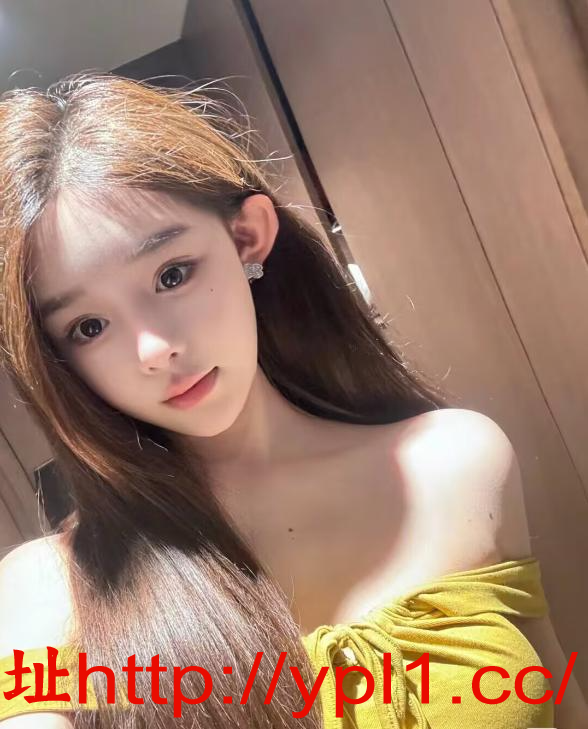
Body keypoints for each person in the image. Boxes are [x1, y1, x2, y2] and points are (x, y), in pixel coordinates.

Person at [0, 71, 584, 729]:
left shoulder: (459, 463)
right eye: (89, 326)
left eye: (171, 274)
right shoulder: (50, 594)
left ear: (247, 237)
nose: (154, 348)